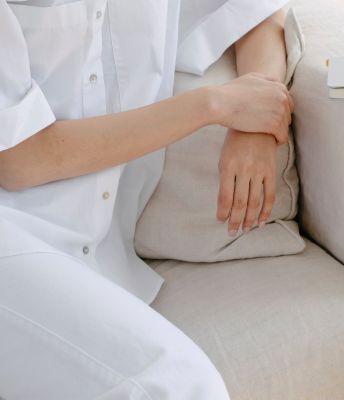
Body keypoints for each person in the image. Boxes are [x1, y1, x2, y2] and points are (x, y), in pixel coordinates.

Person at [0, 0, 292, 398]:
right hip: (12, 235)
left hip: (90, 264)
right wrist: (215, 105)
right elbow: (19, 159)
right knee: (178, 385)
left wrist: (256, 122)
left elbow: (259, 12)